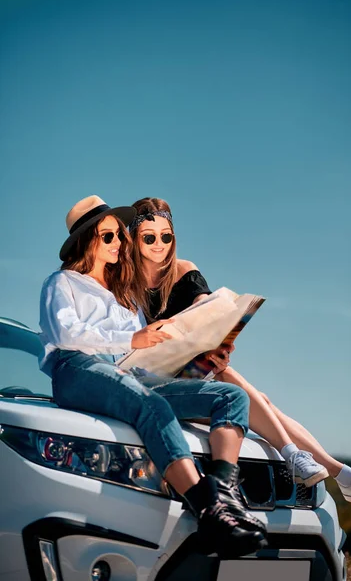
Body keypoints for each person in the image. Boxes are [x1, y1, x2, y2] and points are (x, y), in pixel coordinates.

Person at [129, 197, 351, 510]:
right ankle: (334, 472)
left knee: (229, 374)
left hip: (190, 373)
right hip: (152, 382)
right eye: (150, 237)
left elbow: (209, 317)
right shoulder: (124, 283)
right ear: (134, 239)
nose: (159, 244)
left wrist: (222, 344)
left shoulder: (184, 271)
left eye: (167, 236)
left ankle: (323, 467)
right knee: (255, 397)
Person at [38, 195, 269, 558]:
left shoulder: (123, 297)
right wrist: (132, 337)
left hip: (130, 373)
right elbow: (67, 334)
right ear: (87, 242)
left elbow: (147, 353)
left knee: (230, 397)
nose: (120, 243)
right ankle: (207, 510)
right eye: (109, 236)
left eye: (119, 235)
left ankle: (223, 496)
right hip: (76, 369)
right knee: (152, 406)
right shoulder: (62, 282)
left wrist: (207, 353)